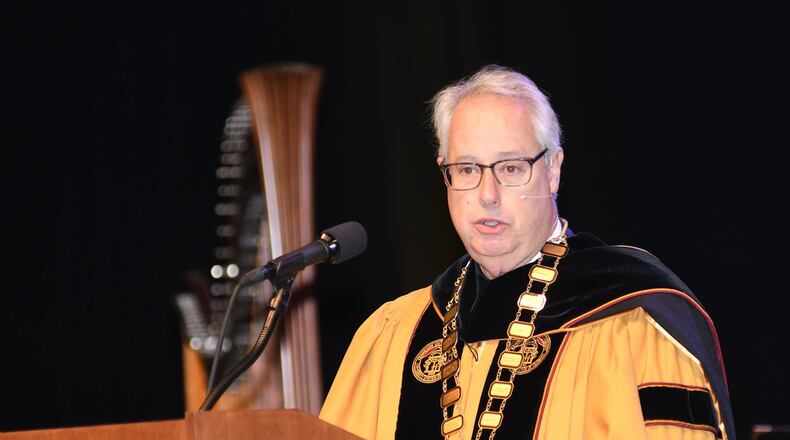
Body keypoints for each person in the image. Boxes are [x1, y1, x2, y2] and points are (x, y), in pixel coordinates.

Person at [319, 65, 735, 440]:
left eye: (511, 168)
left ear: (553, 170)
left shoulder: (633, 326)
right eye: (466, 170)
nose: (487, 195)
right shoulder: (395, 333)